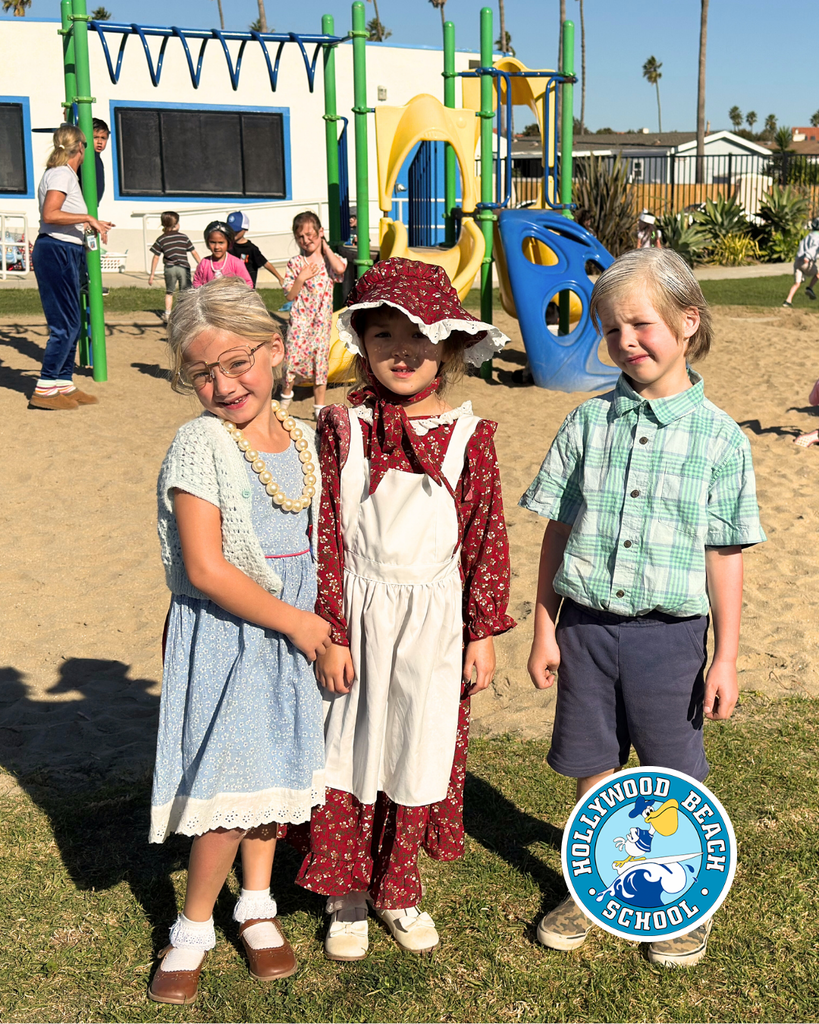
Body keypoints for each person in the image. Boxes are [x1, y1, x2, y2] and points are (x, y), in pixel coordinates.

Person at [520, 247, 766, 967]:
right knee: (594, 772)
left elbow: (725, 555)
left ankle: (683, 901)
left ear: (687, 321)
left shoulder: (720, 439)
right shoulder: (585, 426)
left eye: (640, 323)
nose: (625, 341)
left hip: (671, 640)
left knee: (670, 778)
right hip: (586, 633)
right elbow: (556, 536)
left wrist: (724, 656)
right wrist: (544, 628)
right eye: (610, 329)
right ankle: (594, 887)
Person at [292, 258, 515, 961]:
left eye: (419, 336)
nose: (401, 350)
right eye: (384, 332)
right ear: (362, 340)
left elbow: (486, 535)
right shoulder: (342, 427)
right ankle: (345, 892)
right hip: (358, 610)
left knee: (415, 747)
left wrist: (481, 632)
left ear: (448, 346)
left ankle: (397, 887)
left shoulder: (468, 436)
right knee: (348, 746)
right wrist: (330, 628)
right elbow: (322, 527)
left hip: (434, 621)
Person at [149, 277, 330, 1005]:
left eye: (238, 362)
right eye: (202, 373)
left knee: (273, 775)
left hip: (296, 635)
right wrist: (300, 624)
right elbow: (205, 566)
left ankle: (256, 905)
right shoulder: (199, 444)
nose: (224, 385)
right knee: (229, 782)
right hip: (237, 634)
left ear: (277, 350)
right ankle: (191, 927)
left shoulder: (307, 438)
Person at [30, 124, 114, 411]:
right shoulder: (61, 174)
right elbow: (50, 214)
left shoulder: (65, 175)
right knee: (64, 325)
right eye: (90, 143)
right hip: (56, 251)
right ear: (80, 147)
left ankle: (63, 383)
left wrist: (90, 224)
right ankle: (44, 388)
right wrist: (89, 217)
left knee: (74, 323)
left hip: (66, 249)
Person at [280, 211, 347, 419]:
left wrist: (325, 247)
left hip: (321, 323)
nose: (306, 240)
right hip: (300, 321)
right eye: (300, 236)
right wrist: (301, 277)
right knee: (291, 359)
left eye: (310, 234)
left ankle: (319, 408)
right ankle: (285, 397)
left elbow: (340, 269)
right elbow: (290, 294)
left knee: (320, 363)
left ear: (320, 232)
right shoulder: (295, 263)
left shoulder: (329, 261)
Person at [148, 211, 201, 323]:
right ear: (176, 225)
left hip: (170, 268)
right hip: (183, 268)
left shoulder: (161, 239)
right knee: (185, 292)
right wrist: (201, 264)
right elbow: (194, 252)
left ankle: (168, 314)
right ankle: (184, 314)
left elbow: (156, 257)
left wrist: (152, 274)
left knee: (169, 292)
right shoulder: (183, 237)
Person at [227, 210, 285, 288]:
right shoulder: (227, 245)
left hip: (247, 289)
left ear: (245, 229)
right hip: (230, 287)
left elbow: (265, 263)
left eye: (236, 230)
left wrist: (280, 278)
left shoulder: (251, 249)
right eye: (231, 230)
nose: (233, 233)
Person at [192, 221, 252, 289]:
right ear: (207, 243)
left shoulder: (236, 263)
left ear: (228, 243)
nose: (217, 247)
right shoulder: (204, 263)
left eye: (221, 243)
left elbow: (247, 284)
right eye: (213, 242)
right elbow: (196, 282)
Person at [782, 217, 819, 307]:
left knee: (797, 283)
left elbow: (801, 245)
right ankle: (809, 288)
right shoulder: (817, 237)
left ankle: (788, 301)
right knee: (818, 273)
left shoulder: (808, 236)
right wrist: (808, 256)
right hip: (805, 261)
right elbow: (814, 248)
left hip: (797, 261)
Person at [92, 117, 109, 202]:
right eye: (95, 137)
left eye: (103, 138)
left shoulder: (97, 158)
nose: (99, 141)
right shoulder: (89, 158)